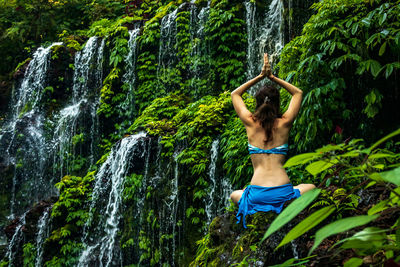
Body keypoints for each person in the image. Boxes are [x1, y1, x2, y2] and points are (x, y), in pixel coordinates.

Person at [230, 53, 316, 228]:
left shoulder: (250, 123)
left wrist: (260, 76)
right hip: (283, 194)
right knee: (311, 187)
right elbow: (298, 93)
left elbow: (235, 94)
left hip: (257, 194)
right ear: (277, 103)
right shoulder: (284, 123)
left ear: (257, 103)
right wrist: (273, 77)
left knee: (235, 194)